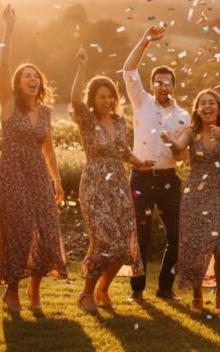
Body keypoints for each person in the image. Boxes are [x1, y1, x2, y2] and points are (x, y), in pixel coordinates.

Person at [0, 5, 67, 312]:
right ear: (17, 82)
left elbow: (48, 150)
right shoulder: (9, 104)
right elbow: (3, 65)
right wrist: (9, 30)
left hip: (38, 173)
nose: (32, 79)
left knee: (48, 230)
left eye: (35, 75)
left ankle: (34, 291)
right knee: (20, 229)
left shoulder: (46, 113)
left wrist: (58, 181)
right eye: (26, 76)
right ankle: (12, 290)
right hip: (12, 171)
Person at [70, 48, 149, 312]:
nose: (106, 100)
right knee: (103, 239)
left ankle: (103, 289)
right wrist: (81, 67)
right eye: (101, 96)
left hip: (118, 185)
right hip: (94, 184)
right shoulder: (86, 119)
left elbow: (124, 152)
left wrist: (140, 163)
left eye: (110, 96)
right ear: (93, 99)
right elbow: (74, 99)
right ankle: (86, 294)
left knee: (125, 242)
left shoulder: (119, 121)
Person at [122, 25, 191, 302]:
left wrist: (176, 148)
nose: (163, 86)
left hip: (168, 179)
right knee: (140, 237)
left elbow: (184, 155)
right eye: (158, 82)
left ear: (174, 85)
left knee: (177, 236)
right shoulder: (142, 103)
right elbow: (128, 70)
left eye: (167, 82)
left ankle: (165, 287)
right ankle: (137, 291)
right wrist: (145, 40)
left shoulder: (184, 115)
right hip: (140, 178)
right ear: (152, 85)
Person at [163, 90, 220, 312]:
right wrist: (171, 142)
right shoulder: (191, 131)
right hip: (196, 192)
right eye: (202, 103)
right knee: (196, 243)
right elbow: (179, 146)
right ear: (197, 109)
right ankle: (197, 297)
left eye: (211, 103)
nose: (207, 106)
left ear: (218, 107)